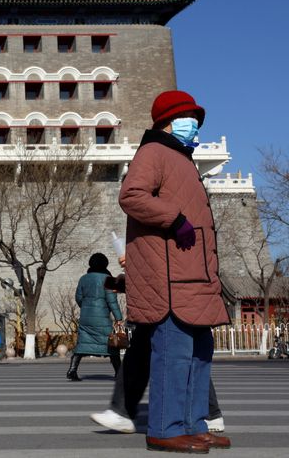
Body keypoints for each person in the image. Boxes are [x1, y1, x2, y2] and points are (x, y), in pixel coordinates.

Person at [117, 90, 231, 453]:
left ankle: (195, 424)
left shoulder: (182, 158)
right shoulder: (154, 152)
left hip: (194, 276)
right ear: (168, 120)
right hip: (170, 280)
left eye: (196, 119)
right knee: (173, 357)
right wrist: (175, 218)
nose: (194, 124)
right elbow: (131, 196)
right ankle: (165, 429)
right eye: (188, 117)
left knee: (199, 357)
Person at [91, 257, 226, 434]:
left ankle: (126, 412)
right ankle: (123, 410)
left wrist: (136, 263)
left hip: (176, 296)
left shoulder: (173, 233)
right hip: (170, 295)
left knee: (180, 357)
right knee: (172, 355)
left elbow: (163, 261)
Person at [67, 253, 123, 381]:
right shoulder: (108, 279)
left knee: (82, 344)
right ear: (105, 264)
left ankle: (72, 370)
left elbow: (78, 297)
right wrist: (118, 318)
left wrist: (86, 307)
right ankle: (119, 373)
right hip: (102, 318)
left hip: (86, 317)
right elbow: (112, 301)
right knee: (112, 345)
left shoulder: (84, 278)